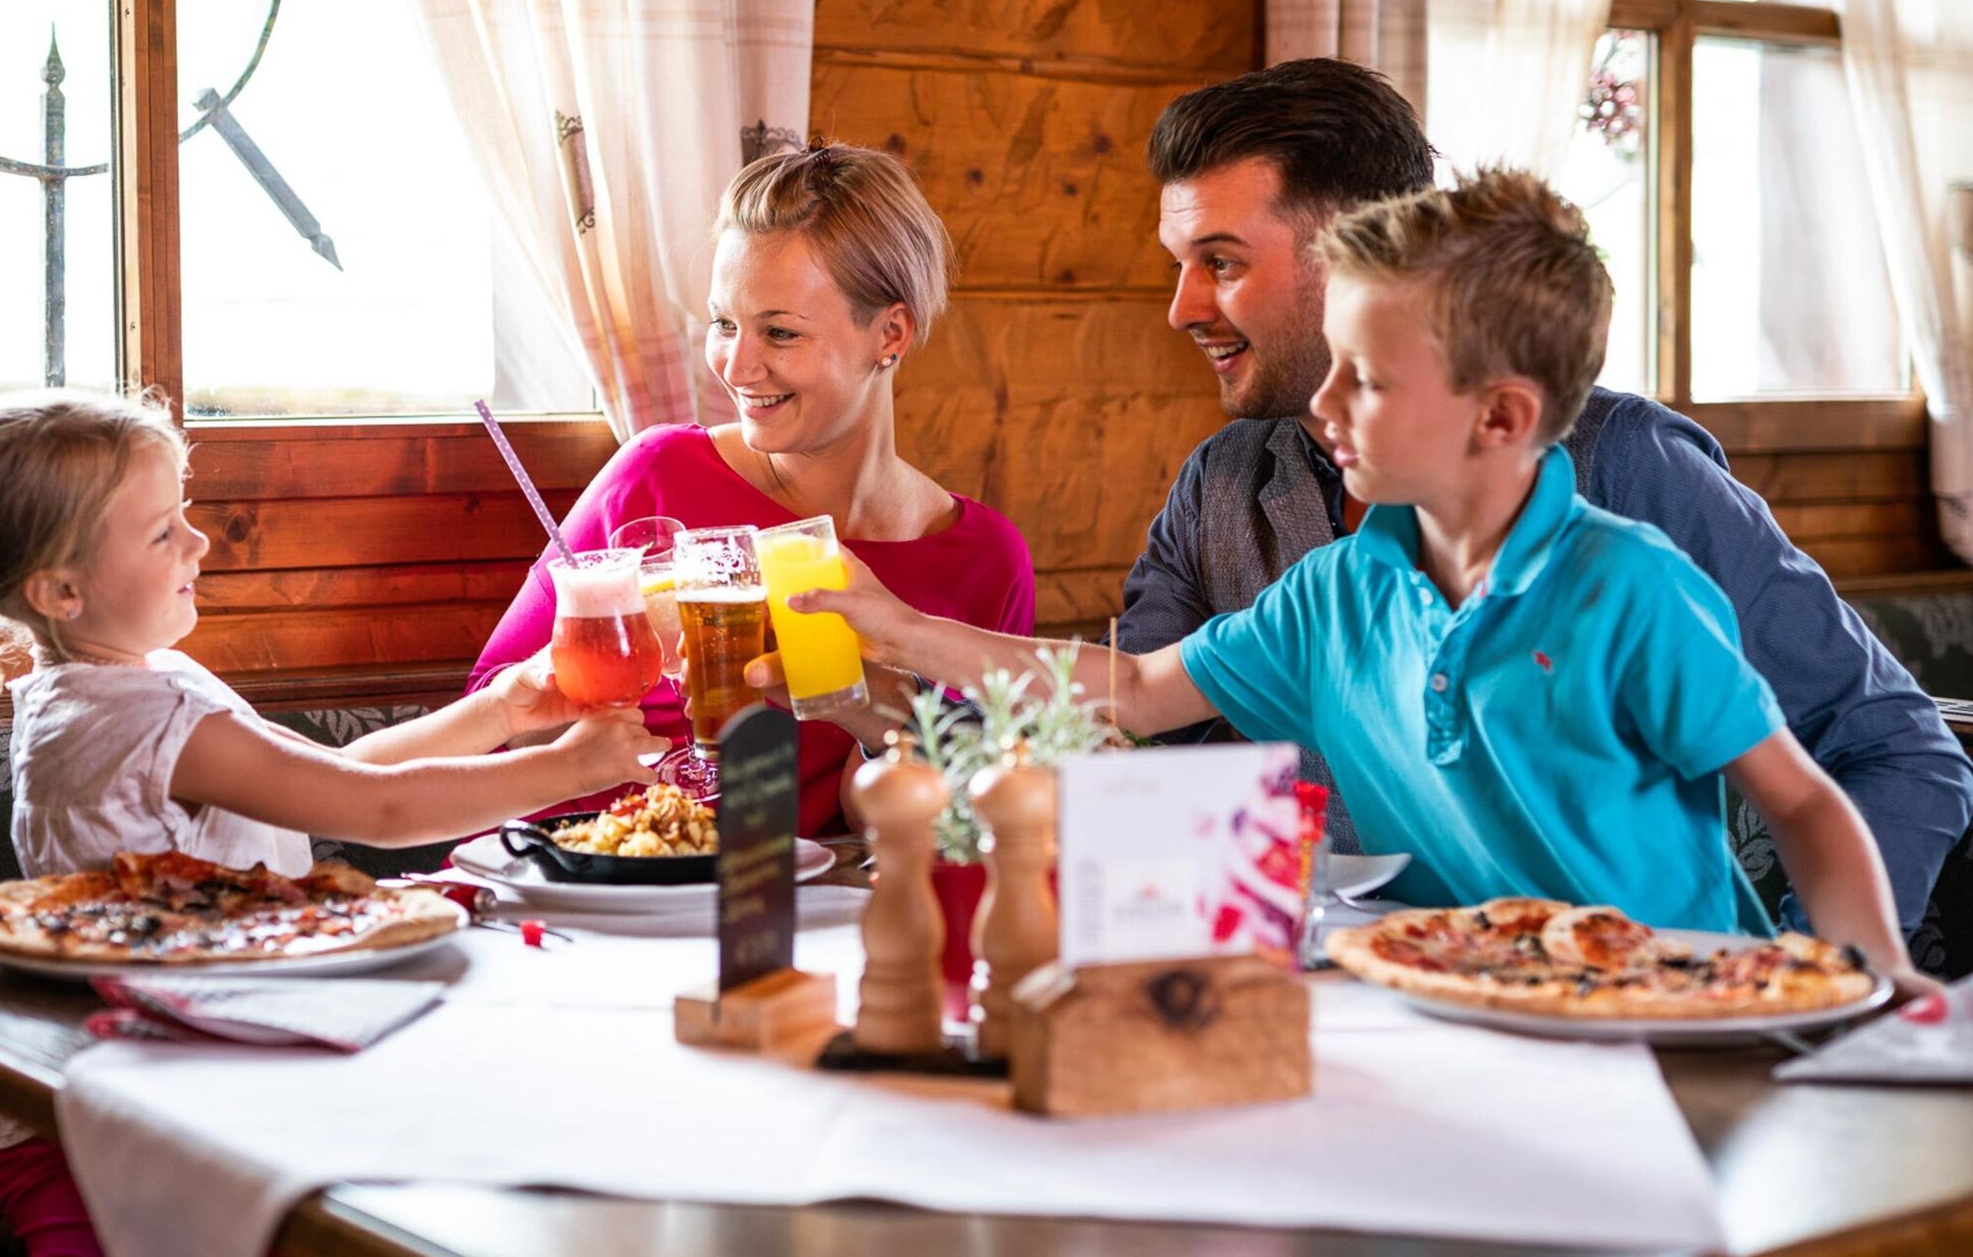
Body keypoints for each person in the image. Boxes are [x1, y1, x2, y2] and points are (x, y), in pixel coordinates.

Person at [794, 170, 1933, 996]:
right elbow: (1133, 689)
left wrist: (1865, 989)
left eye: (1367, 378)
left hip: (1669, 1016)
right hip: (1451, 1006)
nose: (1325, 403)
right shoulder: (1336, 592)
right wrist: (897, 627)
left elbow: (1804, 803)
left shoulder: (1633, 586)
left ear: (1501, 417)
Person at [1121, 57, 1971, 935]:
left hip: (1630, 1014)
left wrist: (1809, 990)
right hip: (1350, 1015)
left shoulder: (1632, 470)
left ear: (1358, 251)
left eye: (1219, 262)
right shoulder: (1219, 486)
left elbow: (1892, 747)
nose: (1180, 307)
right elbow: (1132, 723)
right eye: (1181, 264)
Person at [0, 390, 656, 1257]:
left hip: (202, 1066)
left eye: (185, 516)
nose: (200, 542)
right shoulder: (132, 719)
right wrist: (566, 768)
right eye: (162, 531)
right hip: (94, 1120)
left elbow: (337, 779)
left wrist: (502, 716)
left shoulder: (133, 685)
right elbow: (379, 811)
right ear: (61, 589)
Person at [468, 145, 1035, 837]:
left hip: (795, 920)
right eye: (723, 323)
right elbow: (485, 728)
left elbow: (966, 829)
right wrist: (610, 653)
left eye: (779, 332)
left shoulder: (984, 561)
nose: (736, 365)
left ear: (889, 334)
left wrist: (872, 703)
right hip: (560, 891)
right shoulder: (657, 474)